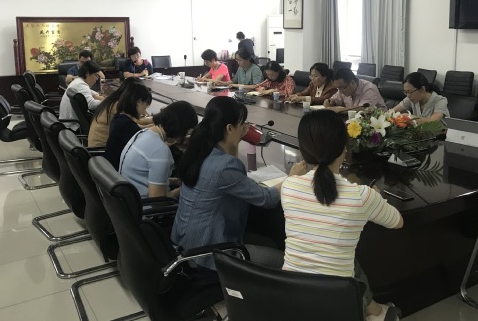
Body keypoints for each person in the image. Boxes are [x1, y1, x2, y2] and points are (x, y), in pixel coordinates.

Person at [282, 110, 403, 321]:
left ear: (303, 150)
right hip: (338, 305)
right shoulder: (361, 196)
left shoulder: (288, 186)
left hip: (291, 298)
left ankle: (372, 309)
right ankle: (374, 311)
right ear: (344, 149)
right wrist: (374, 197)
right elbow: (398, 222)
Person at [172, 97, 305, 270]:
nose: (246, 127)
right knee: (282, 259)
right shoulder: (225, 166)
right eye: (243, 124)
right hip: (208, 252)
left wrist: (235, 139)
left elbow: (229, 172)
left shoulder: (201, 150)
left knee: (270, 243)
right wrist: (291, 177)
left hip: (186, 240)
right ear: (229, 128)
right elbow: (267, 199)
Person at [119, 101, 198, 198]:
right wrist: (182, 190)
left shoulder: (142, 133)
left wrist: (172, 181)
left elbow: (143, 176)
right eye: (185, 133)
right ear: (180, 128)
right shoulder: (160, 151)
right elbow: (158, 199)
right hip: (144, 204)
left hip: (128, 199)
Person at [88, 78, 153, 147]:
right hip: (100, 148)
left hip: (99, 147)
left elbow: (133, 123)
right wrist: (154, 122)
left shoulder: (113, 100)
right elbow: (134, 124)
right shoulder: (117, 105)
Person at [103, 83, 154, 170]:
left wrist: (155, 124)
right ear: (139, 102)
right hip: (119, 171)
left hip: (111, 169)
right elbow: (149, 145)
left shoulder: (119, 118)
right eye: (146, 106)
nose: (144, 111)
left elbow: (138, 128)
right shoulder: (126, 125)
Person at [59, 60, 104, 130]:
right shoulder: (80, 84)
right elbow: (92, 105)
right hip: (73, 126)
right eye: (96, 75)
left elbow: (88, 91)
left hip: (69, 122)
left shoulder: (78, 81)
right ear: (87, 74)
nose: (96, 79)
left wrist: (97, 96)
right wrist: (106, 101)